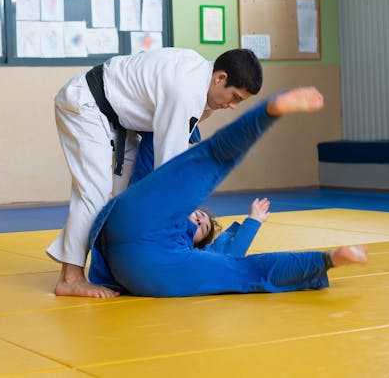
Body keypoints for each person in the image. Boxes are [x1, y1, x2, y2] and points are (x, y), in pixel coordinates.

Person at [87, 87, 369, 298]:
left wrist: (254, 223)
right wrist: (189, 129)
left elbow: (232, 257)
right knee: (208, 158)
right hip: (137, 219)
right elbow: (158, 152)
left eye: (202, 227)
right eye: (200, 217)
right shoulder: (160, 205)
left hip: (156, 265)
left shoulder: (192, 254)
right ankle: (268, 112)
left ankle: (326, 261)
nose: (198, 221)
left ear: (199, 244)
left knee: (244, 273)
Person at [47, 47, 263, 297]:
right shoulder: (186, 90)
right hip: (87, 106)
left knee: (125, 197)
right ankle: (70, 278)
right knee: (94, 192)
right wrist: (179, 212)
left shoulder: (196, 71)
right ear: (220, 78)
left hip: (118, 118)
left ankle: (110, 262)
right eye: (235, 97)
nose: (234, 106)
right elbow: (168, 169)